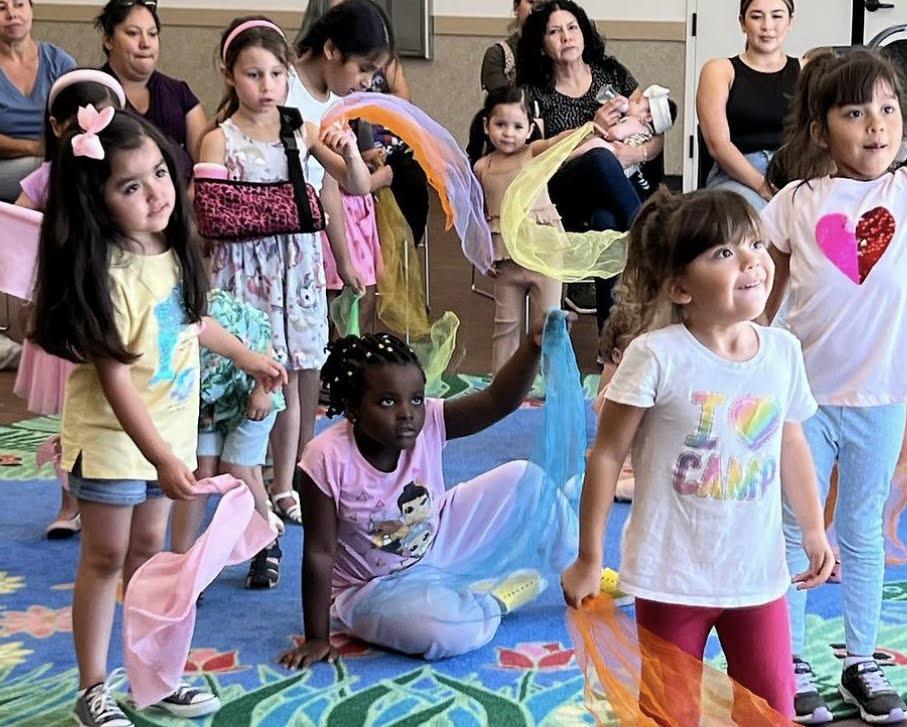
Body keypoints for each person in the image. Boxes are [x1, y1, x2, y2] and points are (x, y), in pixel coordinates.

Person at [29, 107, 286, 727]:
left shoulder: (170, 251)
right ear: (96, 199)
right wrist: (163, 457)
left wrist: (250, 358)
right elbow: (115, 379)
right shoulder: (106, 272)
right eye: (130, 186)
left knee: (150, 554)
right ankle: (92, 688)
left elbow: (194, 324)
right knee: (105, 556)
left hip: (166, 436)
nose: (155, 194)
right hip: (117, 443)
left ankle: (155, 676)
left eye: (159, 174)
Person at [561, 188, 834, 722]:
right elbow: (607, 455)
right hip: (671, 575)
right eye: (724, 252)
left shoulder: (782, 352)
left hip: (755, 573)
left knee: (770, 709)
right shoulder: (656, 356)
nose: (751, 260)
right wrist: (590, 557)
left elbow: (791, 441)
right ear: (680, 287)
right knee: (670, 712)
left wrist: (813, 529)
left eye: (755, 244)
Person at [276, 323, 576, 669]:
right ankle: (491, 598)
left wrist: (532, 347)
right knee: (446, 631)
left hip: (438, 540)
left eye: (416, 399)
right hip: (371, 588)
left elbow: (498, 400)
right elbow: (319, 552)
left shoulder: (429, 420)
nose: (407, 413)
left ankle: (578, 569)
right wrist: (317, 637)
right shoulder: (325, 458)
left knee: (527, 479)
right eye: (387, 402)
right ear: (353, 409)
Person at [762, 49, 907, 725]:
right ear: (820, 130)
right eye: (855, 112)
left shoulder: (903, 194)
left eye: (888, 109)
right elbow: (760, 293)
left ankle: (860, 659)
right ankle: (787, 659)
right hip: (804, 402)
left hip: (881, 399)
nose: (876, 125)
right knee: (796, 528)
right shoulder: (795, 202)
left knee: (862, 529)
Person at [199, 17, 371, 527]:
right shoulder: (218, 140)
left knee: (292, 377)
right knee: (247, 374)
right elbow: (210, 213)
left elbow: (357, 186)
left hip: (295, 270)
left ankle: (285, 482)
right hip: (241, 272)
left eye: (276, 74)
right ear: (229, 75)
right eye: (253, 74)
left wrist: (350, 150)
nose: (267, 86)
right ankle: (243, 476)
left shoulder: (302, 129)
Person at [13, 68, 126, 539]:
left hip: (114, 303)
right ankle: (69, 503)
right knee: (72, 411)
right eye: (81, 123)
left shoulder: (119, 175)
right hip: (64, 307)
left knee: (117, 400)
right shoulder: (47, 178)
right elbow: (16, 225)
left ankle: (120, 493)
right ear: (58, 126)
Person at [516, 0, 658, 330]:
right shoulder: (534, 92)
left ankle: (609, 337)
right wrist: (590, 131)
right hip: (563, 192)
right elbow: (531, 154)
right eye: (554, 32)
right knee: (598, 157)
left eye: (572, 28)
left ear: (583, 32)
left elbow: (655, 131)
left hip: (616, 185)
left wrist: (635, 154)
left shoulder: (611, 73)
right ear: (542, 44)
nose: (566, 37)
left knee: (606, 221)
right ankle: (653, 242)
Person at [474, 86, 608, 371]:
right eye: (500, 124)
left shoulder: (533, 153)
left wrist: (585, 130)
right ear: (486, 125)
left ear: (530, 129)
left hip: (544, 256)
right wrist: (482, 253)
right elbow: (481, 215)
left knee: (550, 323)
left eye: (517, 126)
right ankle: (504, 384)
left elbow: (558, 142)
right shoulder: (482, 167)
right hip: (506, 259)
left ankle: (555, 383)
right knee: (505, 325)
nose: (508, 133)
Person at [170, 289, 285, 590]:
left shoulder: (221, 310)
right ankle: (183, 560)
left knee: (239, 469)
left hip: (252, 395)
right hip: (204, 403)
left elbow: (264, 338)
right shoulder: (162, 324)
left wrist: (262, 391)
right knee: (199, 474)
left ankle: (266, 544)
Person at [696, 0, 799, 210]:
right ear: (743, 23)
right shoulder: (719, 70)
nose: (767, 26)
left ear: (790, 22)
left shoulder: (805, 70)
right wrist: (762, 186)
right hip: (737, 175)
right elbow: (718, 144)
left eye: (777, 16)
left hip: (793, 171)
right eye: (756, 16)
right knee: (754, 216)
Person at [94, 0, 207, 181]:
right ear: (108, 40)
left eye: (152, 34)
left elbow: (205, 167)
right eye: (133, 33)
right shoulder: (91, 93)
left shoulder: (180, 93)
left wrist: (186, 196)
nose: (145, 43)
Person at [0, 0, 75, 202]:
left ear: (31, 10)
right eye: (1, 8)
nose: (11, 14)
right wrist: (32, 147)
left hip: (55, 159)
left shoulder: (59, 62)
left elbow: (77, 121)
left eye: (19, 4)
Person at [481, 0, 538, 94]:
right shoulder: (499, 55)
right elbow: (502, 100)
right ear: (516, 7)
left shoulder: (558, 52)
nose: (536, 9)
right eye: (531, 2)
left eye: (543, 3)